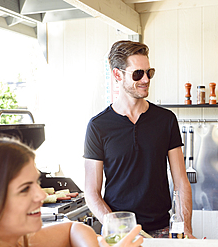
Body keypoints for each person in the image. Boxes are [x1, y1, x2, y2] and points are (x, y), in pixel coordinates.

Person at [83, 40, 194, 238]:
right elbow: (92, 193)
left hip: (161, 230)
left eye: (149, 72)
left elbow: (181, 182)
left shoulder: (166, 120)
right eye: (137, 73)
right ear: (118, 74)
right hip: (117, 233)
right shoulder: (98, 126)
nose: (145, 79)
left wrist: (185, 228)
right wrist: (120, 228)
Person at [0, 139, 143, 247]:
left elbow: (73, 228)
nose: (40, 195)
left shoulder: (20, 240)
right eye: (24, 189)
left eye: (37, 183)